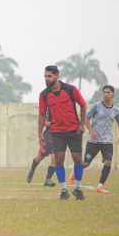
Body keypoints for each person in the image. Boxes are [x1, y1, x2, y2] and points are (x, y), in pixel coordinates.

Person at [38, 65, 87, 200]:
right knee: (59, 160)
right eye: (45, 76)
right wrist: (40, 133)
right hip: (56, 132)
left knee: (78, 159)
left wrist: (82, 124)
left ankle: (77, 188)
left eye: (49, 76)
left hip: (74, 130)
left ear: (57, 76)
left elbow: (83, 104)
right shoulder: (44, 94)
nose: (47, 79)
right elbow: (41, 115)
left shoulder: (70, 89)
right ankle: (64, 189)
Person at [67, 84, 119, 193]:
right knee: (86, 164)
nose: (106, 94)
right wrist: (91, 131)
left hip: (107, 141)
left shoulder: (116, 110)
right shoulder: (97, 106)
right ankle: (73, 173)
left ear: (112, 95)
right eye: (105, 92)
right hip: (93, 140)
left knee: (108, 162)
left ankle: (100, 186)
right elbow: (85, 119)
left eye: (108, 92)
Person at [26, 110, 56, 186]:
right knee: (40, 157)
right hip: (48, 137)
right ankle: (32, 169)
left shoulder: (63, 109)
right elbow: (44, 123)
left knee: (54, 157)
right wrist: (55, 124)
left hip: (58, 137)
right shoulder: (49, 110)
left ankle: (48, 179)